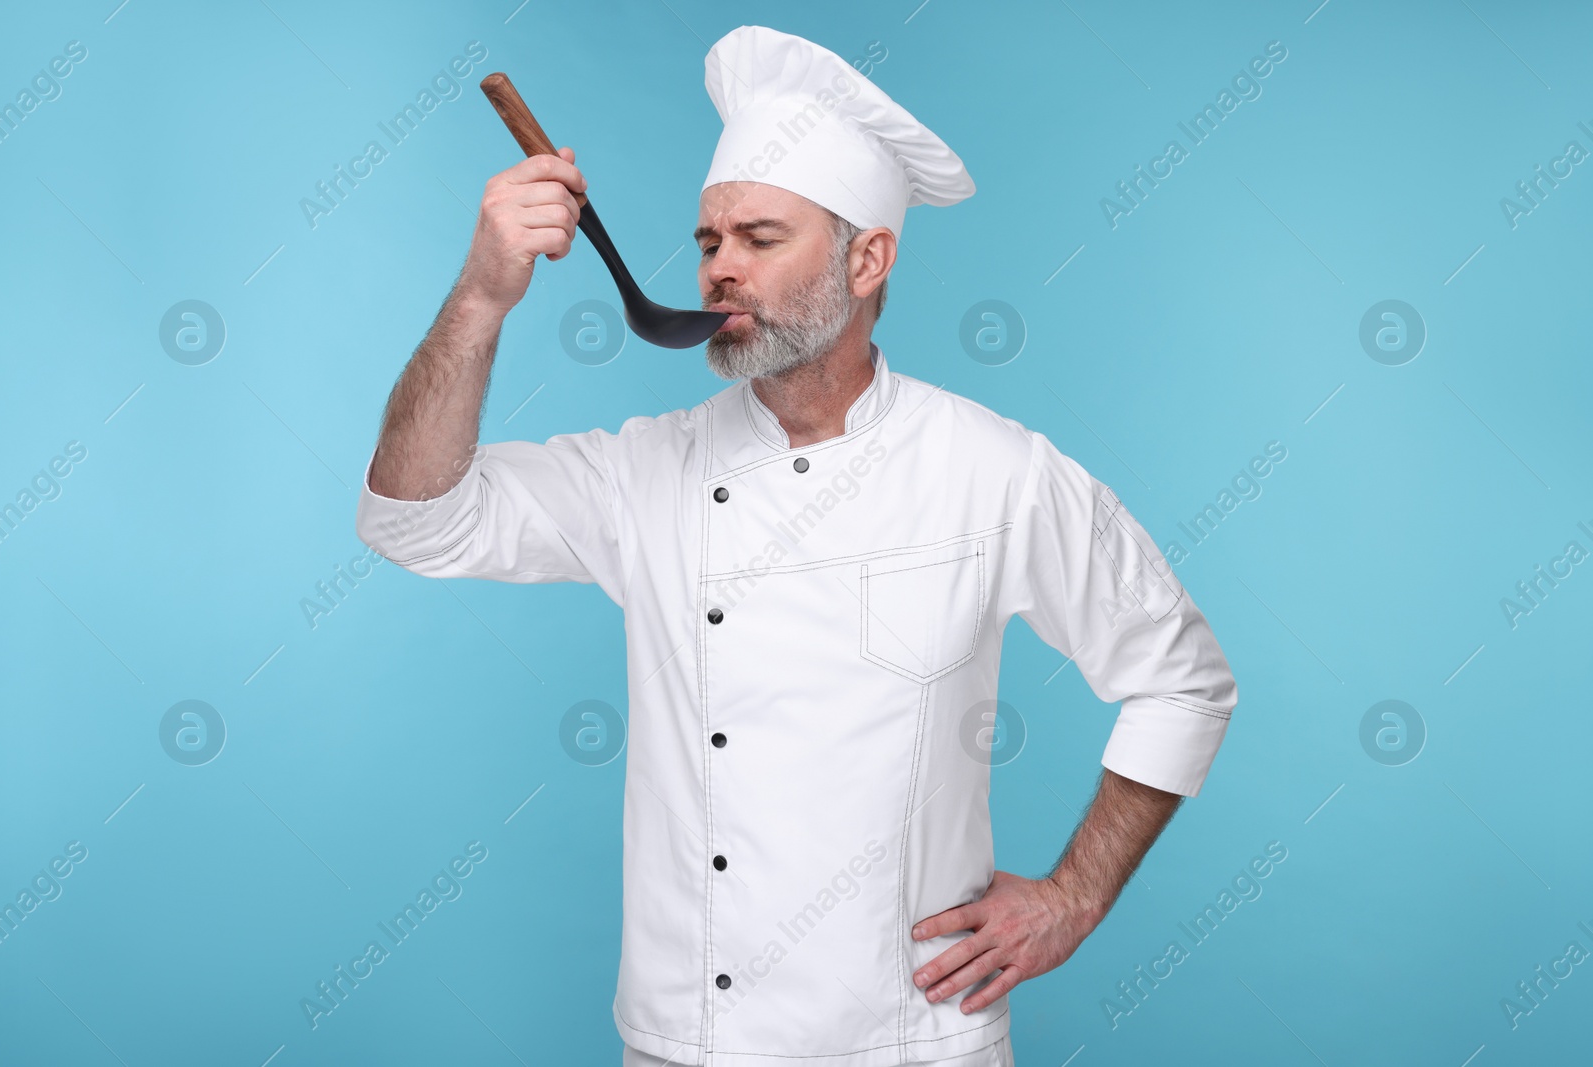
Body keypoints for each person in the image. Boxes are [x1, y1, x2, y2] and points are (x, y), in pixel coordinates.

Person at [355, 25, 1237, 1067]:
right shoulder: (646, 470)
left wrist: (1074, 896)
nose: (720, 268)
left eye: (760, 239)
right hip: (686, 1041)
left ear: (866, 258)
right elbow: (411, 518)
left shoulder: (993, 468)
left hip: (913, 1040)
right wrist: (480, 297)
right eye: (707, 240)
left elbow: (1183, 681)